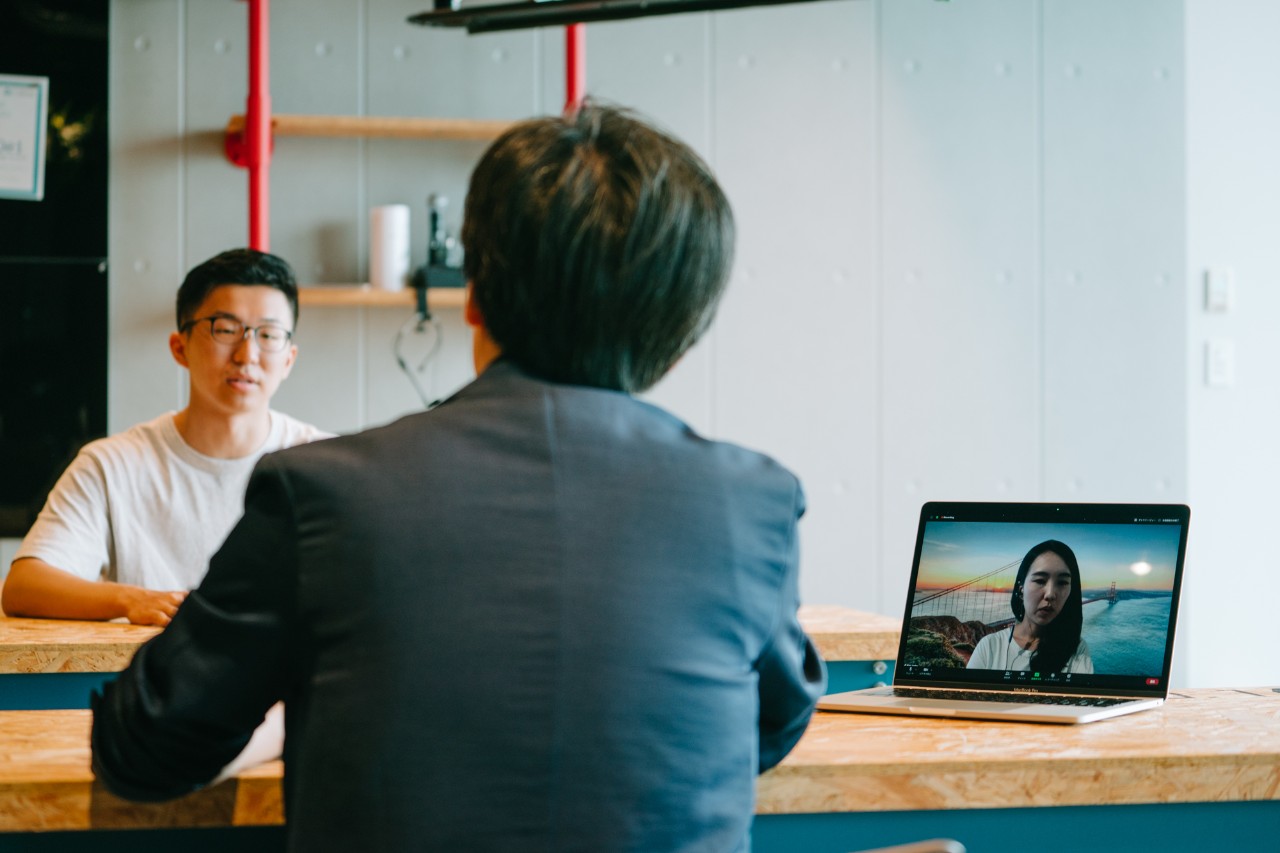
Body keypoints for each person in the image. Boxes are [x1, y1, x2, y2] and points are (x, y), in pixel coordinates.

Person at [91, 103, 828, 851]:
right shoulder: (752, 505)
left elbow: (144, 747)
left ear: (474, 294)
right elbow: (764, 728)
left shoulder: (323, 493)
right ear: (680, 331)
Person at [3, 248, 329, 626]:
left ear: (288, 358)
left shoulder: (326, 464)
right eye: (225, 329)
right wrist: (130, 600)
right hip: (158, 682)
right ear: (180, 348)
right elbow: (24, 586)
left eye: (268, 335)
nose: (247, 354)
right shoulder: (111, 466)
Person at [967, 539, 1094, 674]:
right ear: (1021, 589)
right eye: (1040, 581)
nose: (1050, 594)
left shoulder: (1077, 650)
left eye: (1062, 582)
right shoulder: (989, 646)